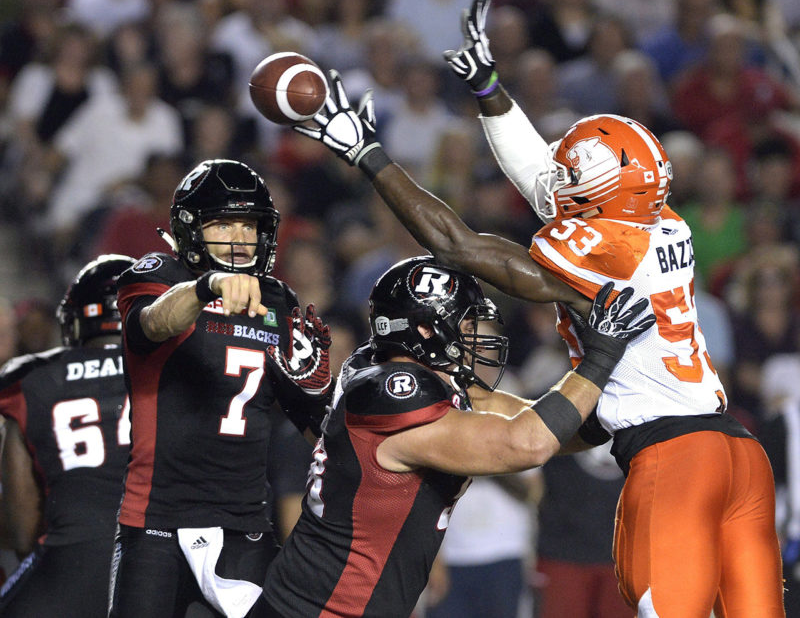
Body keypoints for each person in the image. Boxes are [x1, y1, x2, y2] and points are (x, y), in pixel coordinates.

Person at [291, 0, 785, 618]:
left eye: (574, 176)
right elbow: (542, 183)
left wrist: (369, 155)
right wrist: (491, 92)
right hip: (739, 453)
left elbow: (459, 244)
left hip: (676, 459)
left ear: (597, 191)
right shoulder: (665, 227)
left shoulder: (602, 250)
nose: (559, 181)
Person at [261, 255, 654, 617]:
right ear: (425, 329)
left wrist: (626, 407)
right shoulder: (396, 395)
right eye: (466, 326)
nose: (475, 338)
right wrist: (602, 355)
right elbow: (528, 442)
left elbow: (546, 426)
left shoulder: (406, 378)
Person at [107, 159, 333, 618]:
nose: (239, 238)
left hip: (243, 527)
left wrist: (317, 392)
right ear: (191, 230)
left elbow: (315, 427)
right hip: (156, 525)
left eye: (248, 226)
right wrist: (206, 286)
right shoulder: (156, 274)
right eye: (223, 224)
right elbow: (152, 322)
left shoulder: (278, 301)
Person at [0, 254, 136, 618]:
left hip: (69, 566)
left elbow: (22, 527)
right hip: (173, 564)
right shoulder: (181, 373)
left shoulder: (34, 381)